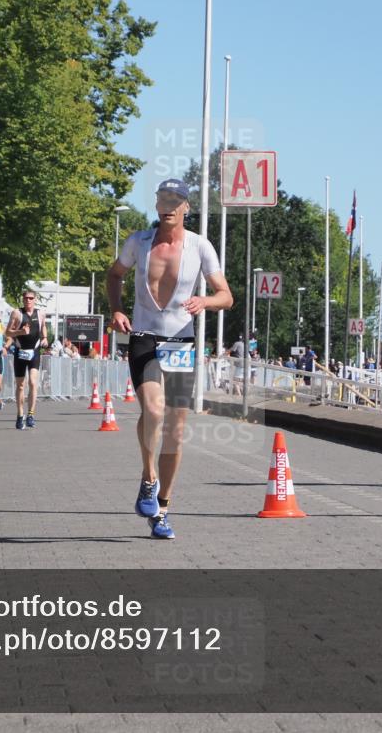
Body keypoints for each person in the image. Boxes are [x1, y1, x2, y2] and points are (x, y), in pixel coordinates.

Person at [106, 178, 233, 539]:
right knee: (154, 410)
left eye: (175, 201)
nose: (168, 206)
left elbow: (226, 295)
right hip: (144, 334)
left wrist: (205, 301)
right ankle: (148, 478)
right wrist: (116, 309)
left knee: (176, 430)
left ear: (185, 208)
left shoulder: (200, 247)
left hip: (181, 340)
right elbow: (114, 275)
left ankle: (162, 507)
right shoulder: (139, 242)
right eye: (163, 198)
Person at [5, 290, 48, 429]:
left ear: (35, 300)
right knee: (20, 385)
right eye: (26, 298)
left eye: (31, 298)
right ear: (22, 299)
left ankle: (31, 414)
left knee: (33, 382)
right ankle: (19, 415)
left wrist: (45, 338)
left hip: (34, 351)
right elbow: (7, 332)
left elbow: (43, 327)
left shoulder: (40, 313)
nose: (28, 300)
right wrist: (20, 332)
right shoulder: (17, 313)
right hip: (20, 351)